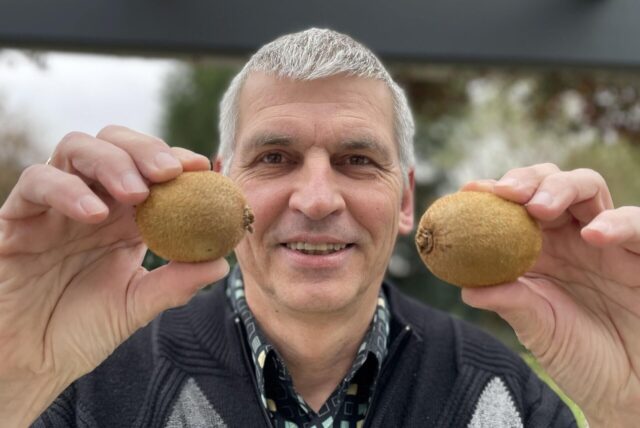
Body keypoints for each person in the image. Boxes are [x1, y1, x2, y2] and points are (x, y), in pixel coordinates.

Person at [0, 28, 638, 428]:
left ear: (405, 199)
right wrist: (14, 378)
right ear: (223, 182)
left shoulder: (506, 397)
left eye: (357, 160)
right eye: (274, 158)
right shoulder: (83, 386)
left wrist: (626, 407)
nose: (316, 199)